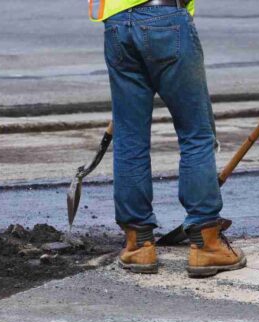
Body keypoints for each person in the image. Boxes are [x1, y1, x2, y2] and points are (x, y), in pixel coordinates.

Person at [89, 0, 246, 276]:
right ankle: (206, 244)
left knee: (129, 137)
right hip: (164, 19)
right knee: (195, 133)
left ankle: (138, 245)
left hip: (116, 24)